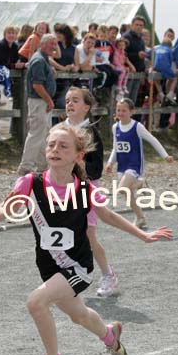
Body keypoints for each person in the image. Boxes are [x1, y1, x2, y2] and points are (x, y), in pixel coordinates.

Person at [0, 123, 173, 355]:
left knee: (36, 302)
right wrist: (4, 210)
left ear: (79, 156)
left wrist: (143, 234)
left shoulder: (85, 189)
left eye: (63, 146)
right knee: (79, 316)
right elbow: (1, 209)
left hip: (77, 267)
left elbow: (109, 216)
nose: (55, 150)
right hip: (49, 267)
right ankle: (110, 335)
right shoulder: (31, 182)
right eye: (51, 145)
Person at [63, 87, 118, 297]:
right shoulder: (60, 129)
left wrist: (78, 162)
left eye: (75, 100)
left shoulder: (91, 133)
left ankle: (107, 274)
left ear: (86, 107)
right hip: (64, 190)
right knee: (65, 234)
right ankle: (69, 275)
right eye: (67, 100)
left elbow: (96, 170)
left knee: (88, 235)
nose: (70, 104)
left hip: (87, 189)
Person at [105, 98, 174, 229]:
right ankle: (140, 217)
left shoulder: (137, 127)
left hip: (134, 164)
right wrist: (110, 163)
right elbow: (116, 147)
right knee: (127, 192)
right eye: (118, 110)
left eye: (124, 110)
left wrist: (165, 155)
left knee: (122, 189)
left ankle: (141, 183)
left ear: (132, 112)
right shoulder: (115, 127)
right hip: (122, 165)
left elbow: (152, 140)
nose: (120, 113)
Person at [17, 34, 58, 175]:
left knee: (44, 133)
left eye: (55, 44)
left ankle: (43, 165)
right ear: (43, 44)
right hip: (39, 101)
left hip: (41, 101)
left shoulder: (42, 59)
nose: (54, 47)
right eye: (51, 44)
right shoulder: (39, 60)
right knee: (36, 133)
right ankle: (26, 165)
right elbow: (37, 85)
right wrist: (49, 100)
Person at [122, 16, 147, 102]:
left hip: (138, 72)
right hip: (128, 72)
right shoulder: (126, 37)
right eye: (137, 24)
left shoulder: (141, 39)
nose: (139, 27)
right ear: (132, 25)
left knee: (132, 101)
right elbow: (122, 54)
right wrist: (137, 55)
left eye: (141, 25)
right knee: (125, 99)